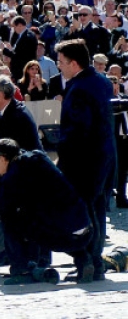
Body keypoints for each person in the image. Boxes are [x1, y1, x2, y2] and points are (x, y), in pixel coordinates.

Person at [0, 139, 95, 284]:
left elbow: (2, 207)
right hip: (85, 229)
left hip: (65, 235)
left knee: (10, 219)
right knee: (35, 216)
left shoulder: (14, 175)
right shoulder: (38, 157)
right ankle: (83, 259)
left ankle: (21, 270)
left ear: (3, 159)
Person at [54, 39, 116, 280]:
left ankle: (87, 261)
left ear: (74, 63)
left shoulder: (79, 88)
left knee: (83, 212)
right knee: (97, 209)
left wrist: (57, 145)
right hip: (104, 158)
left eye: (61, 62)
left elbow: (79, 129)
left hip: (83, 161)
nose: (59, 67)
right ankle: (95, 262)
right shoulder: (100, 80)